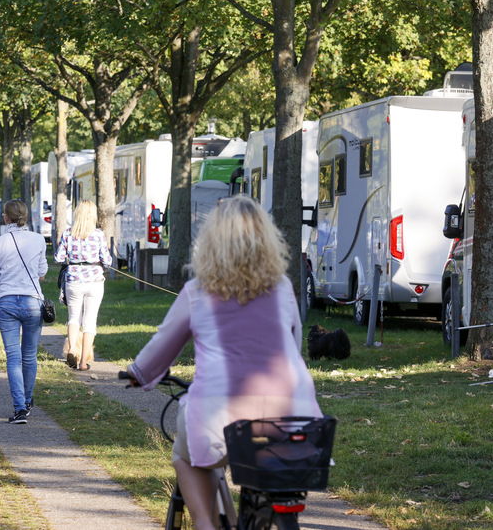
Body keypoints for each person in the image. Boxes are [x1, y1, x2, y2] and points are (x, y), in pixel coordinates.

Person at [125, 195, 322, 530]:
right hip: (293, 412)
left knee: (187, 459)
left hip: (220, 413)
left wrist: (138, 374)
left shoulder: (198, 291)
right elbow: (294, 345)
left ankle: (205, 523)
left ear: (212, 241)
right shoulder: (283, 288)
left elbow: (161, 348)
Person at [0, 199, 48, 424]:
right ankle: (28, 400)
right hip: (32, 301)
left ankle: (20, 408)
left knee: (13, 358)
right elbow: (41, 274)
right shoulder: (39, 239)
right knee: (30, 355)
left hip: (7, 301)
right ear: (26, 217)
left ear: (6, 218)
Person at [53, 199, 112, 370]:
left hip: (74, 280)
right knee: (90, 321)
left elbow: (58, 258)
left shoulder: (67, 234)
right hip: (94, 280)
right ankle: (83, 362)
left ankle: (72, 349)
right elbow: (107, 261)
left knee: (73, 318)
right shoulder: (99, 235)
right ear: (92, 216)